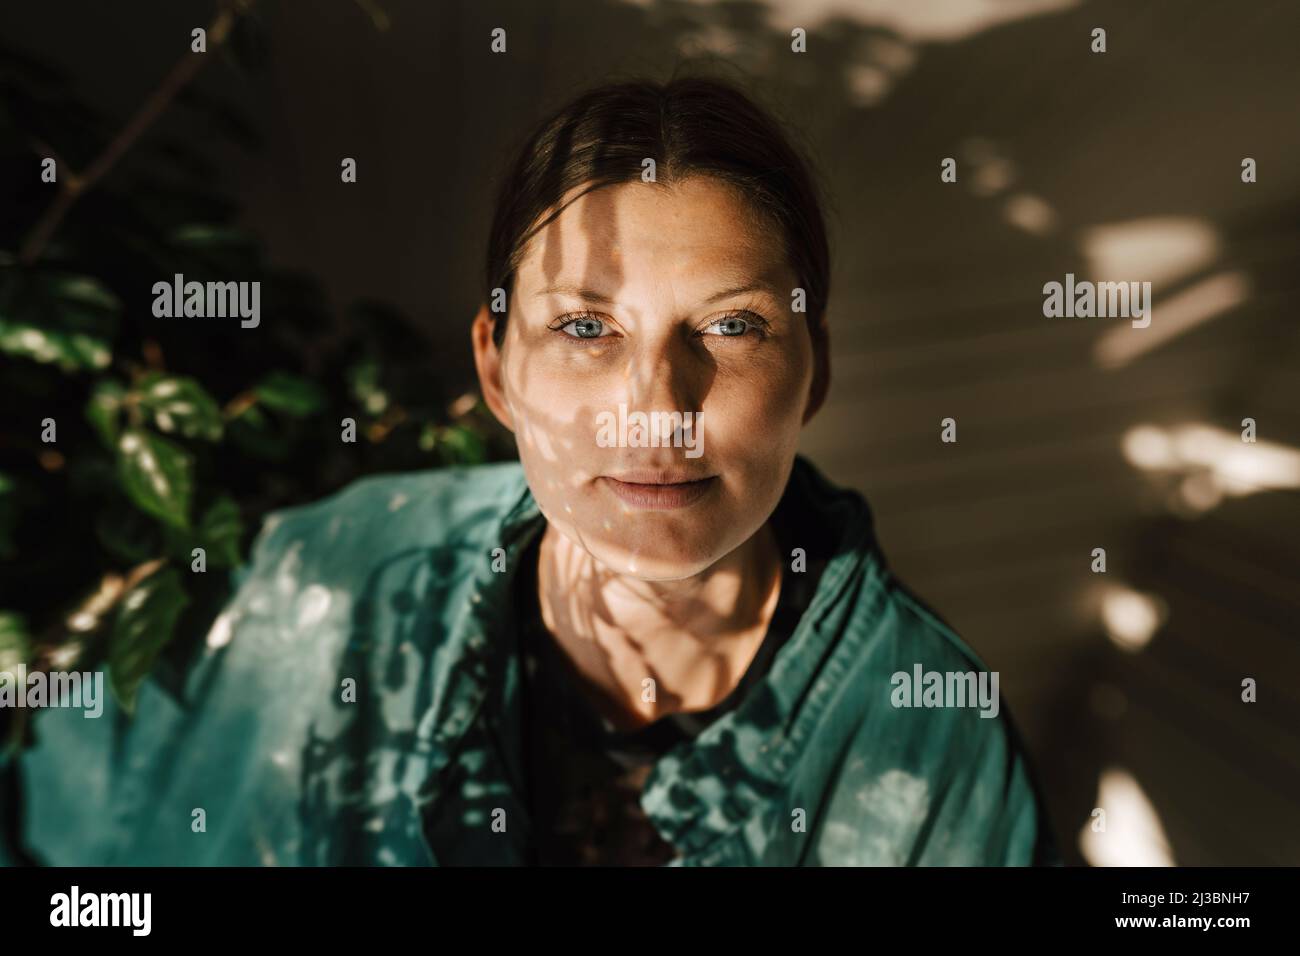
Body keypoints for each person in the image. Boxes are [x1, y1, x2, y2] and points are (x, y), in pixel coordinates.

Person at [2, 74, 1058, 866]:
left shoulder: (925, 733)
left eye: (731, 325)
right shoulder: (338, 576)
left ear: (812, 369)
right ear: (495, 369)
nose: (655, 405)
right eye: (585, 327)